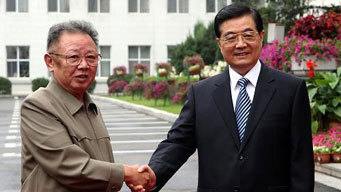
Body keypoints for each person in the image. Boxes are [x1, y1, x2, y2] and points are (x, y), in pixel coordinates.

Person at [141, 3, 314, 192]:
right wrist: (152, 175)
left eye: (248, 35)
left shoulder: (290, 89)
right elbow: (178, 142)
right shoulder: (201, 93)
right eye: (231, 37)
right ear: (220, 44)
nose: (240, 44)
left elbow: (301, 159)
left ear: (261, 37)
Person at [20, 20, 155, 192]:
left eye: (91, 57)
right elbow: (70, 166)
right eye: (73, 57)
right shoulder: (37, 105)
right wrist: (126, 173)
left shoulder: (91, 107)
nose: (84, 65)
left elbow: (99, 167)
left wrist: (133, 178)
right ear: (50, 62)